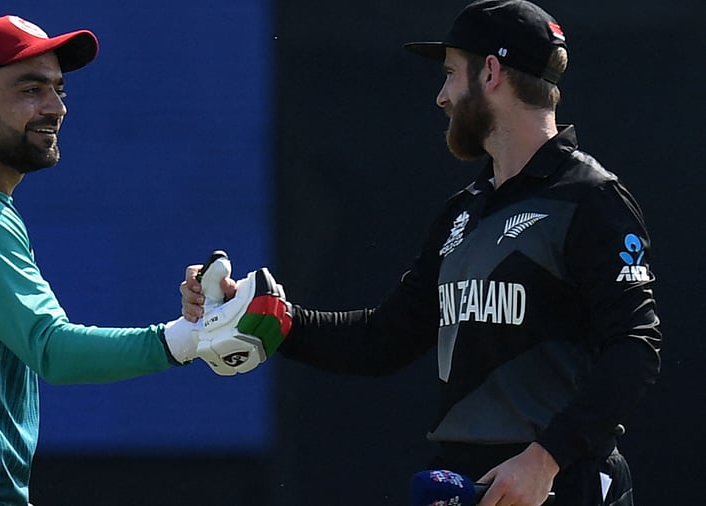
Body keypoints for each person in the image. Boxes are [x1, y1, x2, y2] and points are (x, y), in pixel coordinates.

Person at [182, 1, 661, 505]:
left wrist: (546, 459)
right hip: (463, 481)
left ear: (492, 72)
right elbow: (385, 338)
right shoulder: (463, 212)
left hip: (563, 482)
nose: (441, 97)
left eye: (451, 74)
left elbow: (635, 345)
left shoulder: (589, 198)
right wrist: (270, 320)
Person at [0, 15, 277, 505]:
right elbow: (53, 351)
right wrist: (189, 338)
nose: (55, 107)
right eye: (30, 89)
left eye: (58, 89)